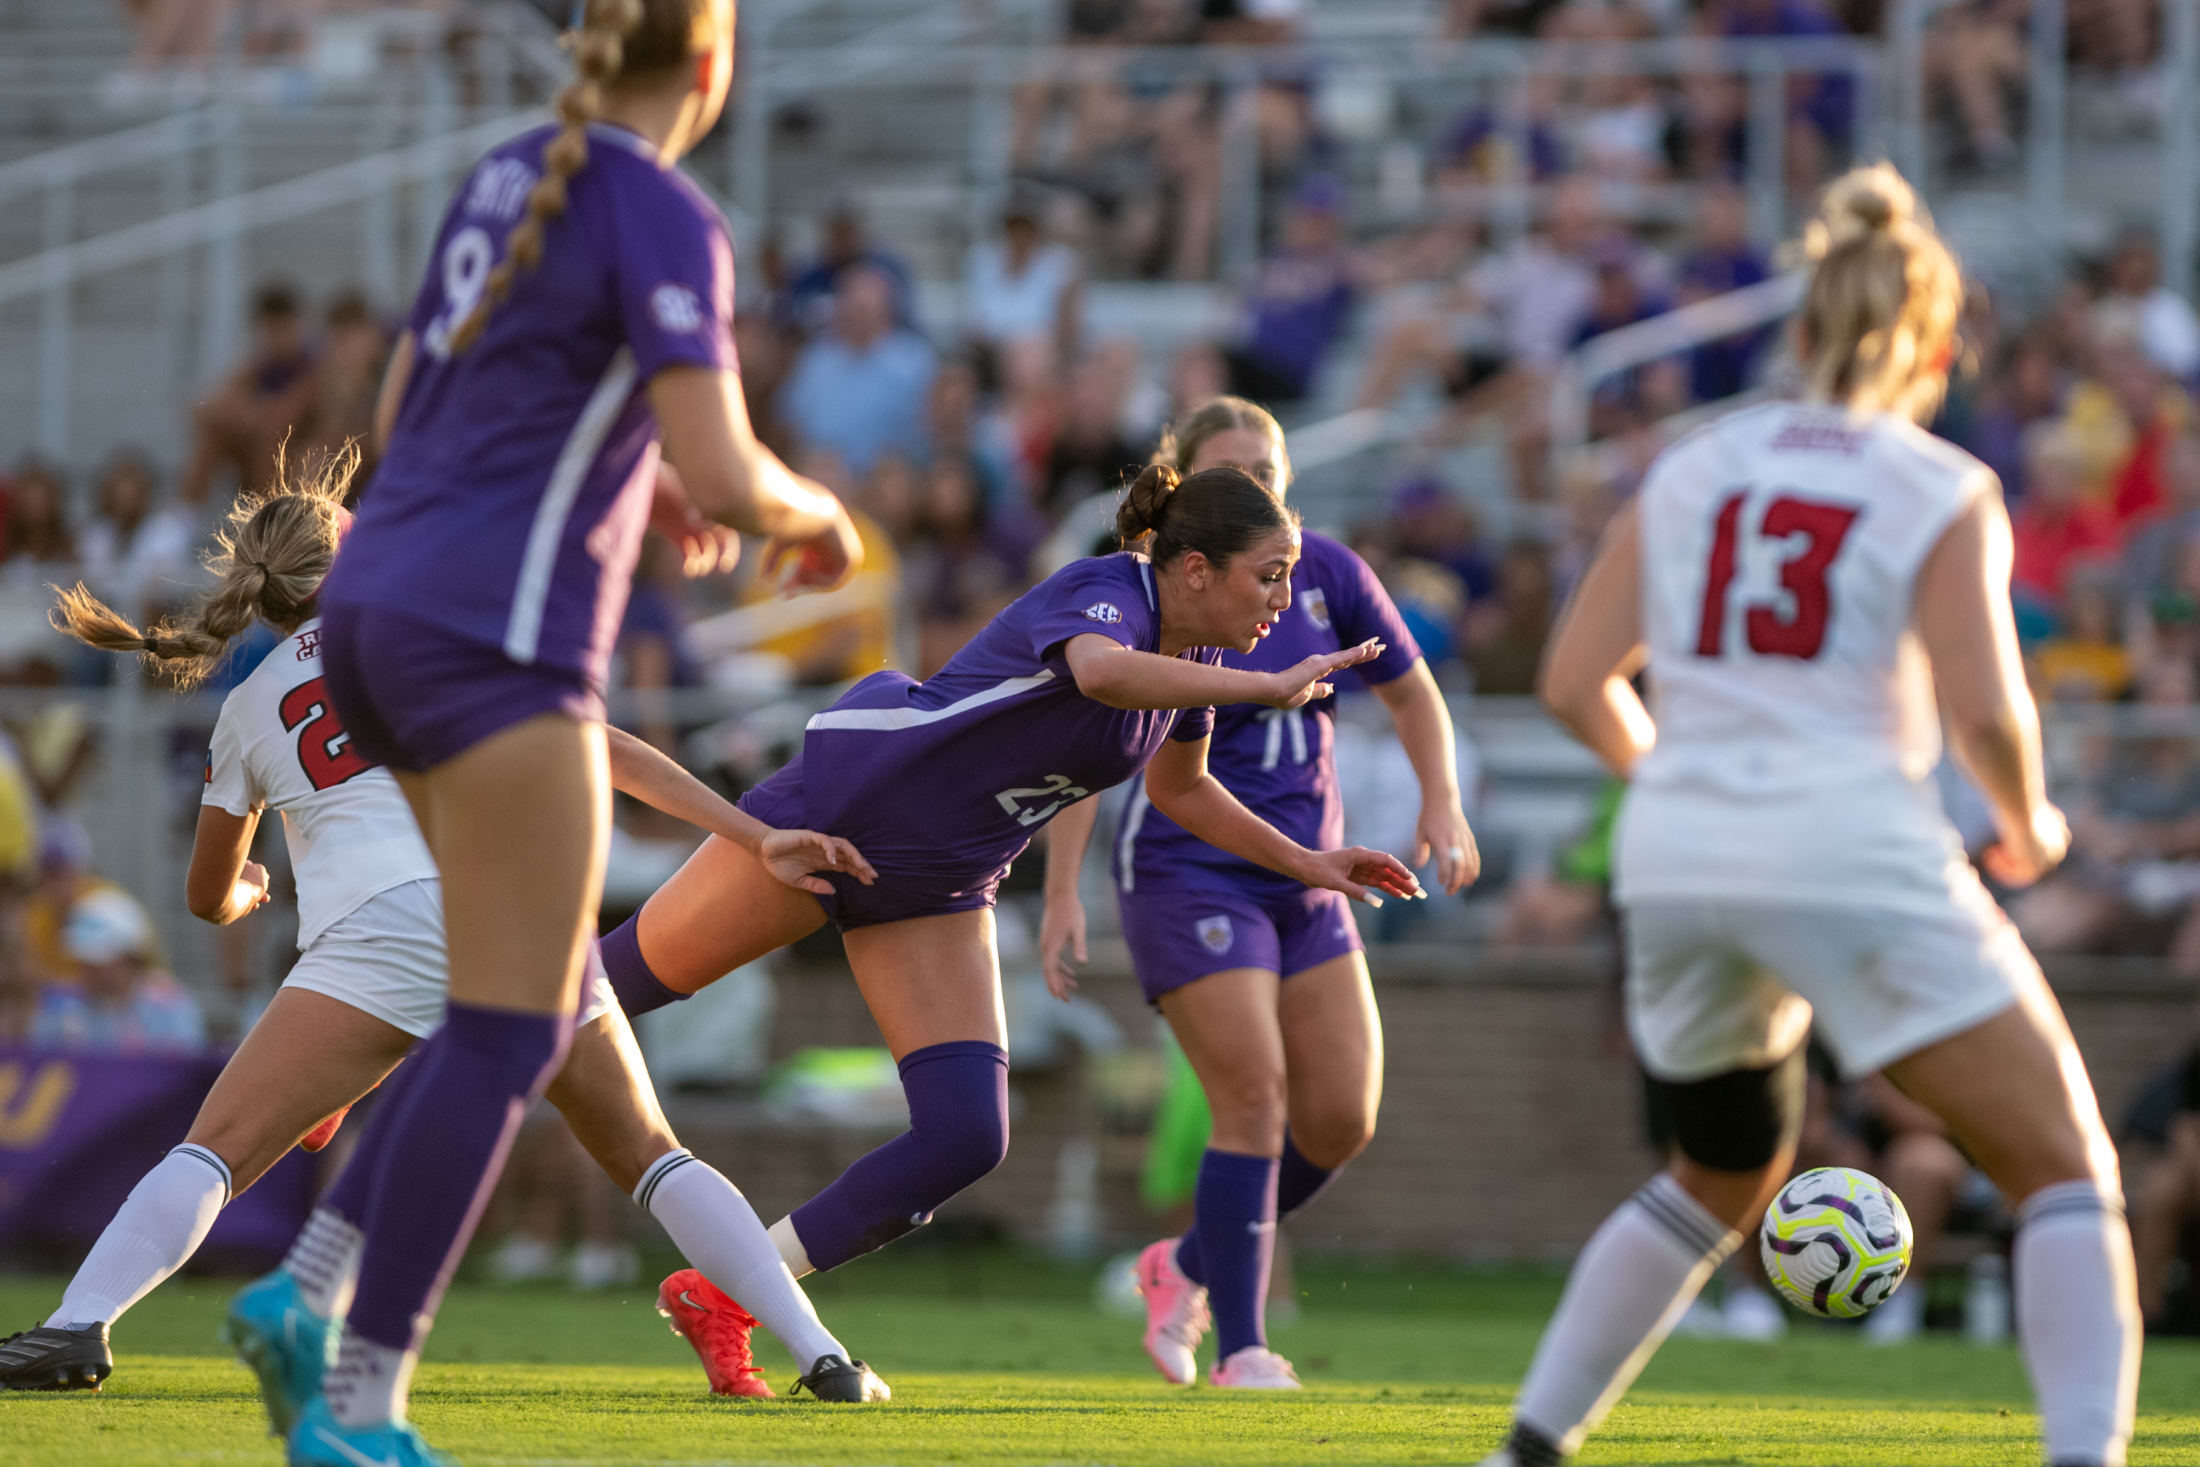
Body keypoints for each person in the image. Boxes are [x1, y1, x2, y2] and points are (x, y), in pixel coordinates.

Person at [265, 2, 871, 1461]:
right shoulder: (661, 207)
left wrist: (634, 464)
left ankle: (302, 1297)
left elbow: (415, 402)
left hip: (374, 611)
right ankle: (352, 1397)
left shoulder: (505, 173)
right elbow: (736, 471)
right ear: (714, 63)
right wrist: (817, 514)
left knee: (496, 1003)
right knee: (524, 1018)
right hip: (494, 631)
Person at [1484, 164, 2139, 1467]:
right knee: (2066, 1171)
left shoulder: (1692, 461)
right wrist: (2031, 819)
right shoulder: (1939, 483)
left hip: (1675, 854)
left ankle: (1528, 1447)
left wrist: (1678, 776)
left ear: (1802, 328)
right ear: (1938, 343)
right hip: (1847, 840)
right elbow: (1988, 710)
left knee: (1717, 1174)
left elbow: (1573, 681)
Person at [0, 454, 873, 1417]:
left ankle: (78, 1326)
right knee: (649, 1152)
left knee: (217, 1149)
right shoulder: (435, 630)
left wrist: (254, 890)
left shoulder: (248, 708)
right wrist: (753, 836)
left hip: (373, 933)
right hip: (511, 905)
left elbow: (208, 897)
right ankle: (825, 1356)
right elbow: (604, 748)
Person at [597, 464, 1427, 1310]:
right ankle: (456, 1042)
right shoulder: (1109, 588)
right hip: (846, 814)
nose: (1284, 601)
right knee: (594, 998)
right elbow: (1101, 672)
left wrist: (1311, 862)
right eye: (1271, 574)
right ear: (1196, 569)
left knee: (963, 1135)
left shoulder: (1198, 656)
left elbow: (1184, 790)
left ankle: (722, 1295)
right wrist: (1267, 685)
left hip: (942, 881)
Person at [1039, 397, 1480, 1389]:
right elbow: (1095, 744)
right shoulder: (1166, 593)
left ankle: (1183, 1263)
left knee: (1339, 1119)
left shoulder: (1325, 573)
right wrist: (1063, 888)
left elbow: (1413, 691)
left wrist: (1440, 802)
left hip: (1307, 869)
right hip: (1188, 870)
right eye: (1231, 475)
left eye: (1269, 473)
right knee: (1253, 1097)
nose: (1258, 492)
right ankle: (1239, 1344)